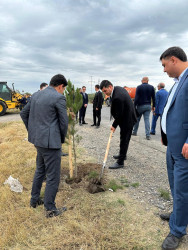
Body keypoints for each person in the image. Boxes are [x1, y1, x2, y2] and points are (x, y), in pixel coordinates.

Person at [20, 74, 68, 218]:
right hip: (50, 144)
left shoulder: (36, 95)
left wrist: (33, 131)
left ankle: (34, 200)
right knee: (53, 176)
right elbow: (63, 123)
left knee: (40, 170)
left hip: (38, 141)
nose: (63, 92)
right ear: (60, 86)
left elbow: (23, 113)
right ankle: (50, 209)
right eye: (63, 89)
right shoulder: (58, 98)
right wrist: (60, 140)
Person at [159, 47, 188, 250]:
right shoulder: (177, 82)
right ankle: (178, 213)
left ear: (174, 60)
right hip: (172, 145)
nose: (164, 70)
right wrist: (164, 134)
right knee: (174, 185)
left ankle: (177, 230)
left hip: (183, 149)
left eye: (164, 65)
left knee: (182, 190)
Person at [100, 80, 137, 169]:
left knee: (124, 139)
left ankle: (120, 162)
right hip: (126, 117)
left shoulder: (117, 97)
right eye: (103, 92)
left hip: (127, 119)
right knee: (123, 138)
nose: (105, 93)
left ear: (110, 87)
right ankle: (122, 155)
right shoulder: (117, 88)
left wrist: (114, 125)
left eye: (105, 91)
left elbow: (119, 115)